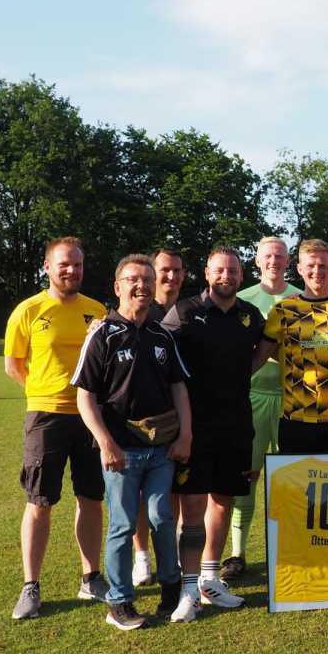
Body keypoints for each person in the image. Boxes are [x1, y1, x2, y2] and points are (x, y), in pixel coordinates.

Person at [72, 255, 192, 630]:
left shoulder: (162, 335)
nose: (141, 286)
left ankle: (171, 588)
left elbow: (179, 387)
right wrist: (105, 442)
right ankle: (120, 602)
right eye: (133, 279)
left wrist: (185, 435)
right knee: (123, 525)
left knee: (161, 518)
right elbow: (85, 396)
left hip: (160, 448)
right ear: (117, 286)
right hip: (120, 451)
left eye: (147, 280)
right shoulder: (102, 334)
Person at [4, 237, 108, 620]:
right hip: (45, 417)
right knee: (39, 502)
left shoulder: (96, 311)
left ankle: (91, 578)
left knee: (91, 498)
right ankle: (30, 586)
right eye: (64, 264)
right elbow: (13, 365)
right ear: (47, 266)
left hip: (90, 416)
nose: (72, 270)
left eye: (77, 264)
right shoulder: (28, 310)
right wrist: (43, 392)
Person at [161, 248, 265, 620]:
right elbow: (160, 354)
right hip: (194, 426)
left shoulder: (250, 315)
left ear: (241, 275)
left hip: (236, 423)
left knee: (224, 500)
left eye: (233, 271)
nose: (227, 276)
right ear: (207, 273)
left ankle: (209, 580)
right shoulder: (185, 312)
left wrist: (239, 375)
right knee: (192, 505)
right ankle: (188, 588)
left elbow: (263, 350)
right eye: (220, 270)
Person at [252, 240, 328, 455]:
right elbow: (259, 358)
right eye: (311, 265)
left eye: (322, 266)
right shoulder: (283, 310)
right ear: (300, 269)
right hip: (296, 418)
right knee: (293, 478)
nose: (317, 271)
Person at [225, 236, 301, 579]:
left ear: (289, 261)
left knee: (291, 477)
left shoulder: (300, 297)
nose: (274, 261)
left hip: (292, 399)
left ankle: (292, 548)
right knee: (247, 474)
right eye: (268, 255)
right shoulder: (243, 299)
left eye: (280, 256)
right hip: (252, 396)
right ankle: (237, 553)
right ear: (257, 260)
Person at [132, 248, 186, 588]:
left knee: (175, 491)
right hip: (140, 420)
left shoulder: (189, 311)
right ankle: (142, 558)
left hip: (178, 416)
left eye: (178, 271)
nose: (172, 276)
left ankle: (174, 556)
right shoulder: (138, 309)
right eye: (165, 270)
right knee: (140, 495)